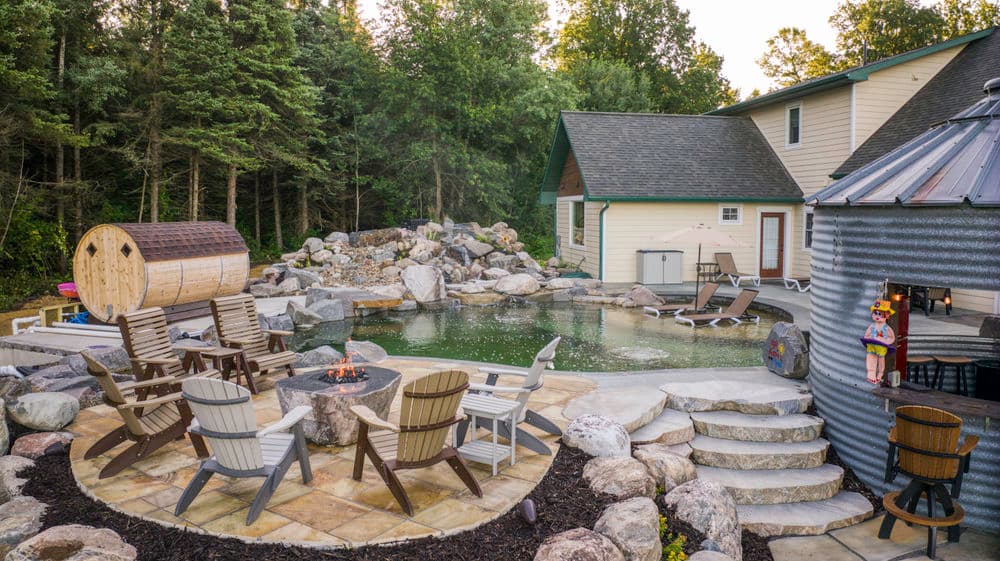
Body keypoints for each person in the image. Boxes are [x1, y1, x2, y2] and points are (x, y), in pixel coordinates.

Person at [864, 300, 896, 384]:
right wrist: (869, 337)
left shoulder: (886, 328)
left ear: (887, 315)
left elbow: (892, 338)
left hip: (881, 346)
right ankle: (871, 374)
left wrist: (885, 341)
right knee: (871, 358)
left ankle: (880, 373)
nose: (877, 316)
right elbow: (866, 335)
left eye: (880, 314)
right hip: (872, 345)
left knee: (881, 360)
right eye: (875, 313)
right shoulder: (872, 326)